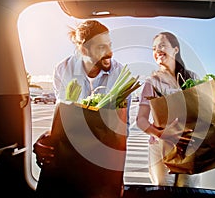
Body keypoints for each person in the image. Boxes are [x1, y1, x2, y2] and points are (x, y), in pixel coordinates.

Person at [33, 20, 130, 197]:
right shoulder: (63, 69)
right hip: (70, 155)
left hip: (102, 155)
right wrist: (48, 138)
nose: (110, 52)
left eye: (109, 45)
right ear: (84, 50)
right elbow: (63, 117)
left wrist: (117, 174)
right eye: (101, 47)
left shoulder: (120, 75)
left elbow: (123, 129)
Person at [136, 31, 202, 187]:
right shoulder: (151, 82)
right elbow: (141, 119)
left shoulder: (192, 78)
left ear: (176, 49)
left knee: (187, 188)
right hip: (160, 146)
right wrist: (160, 134)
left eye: (162, 45)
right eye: (154, 48)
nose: (157, 50)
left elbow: (205, 112)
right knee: (163, 189)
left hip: (189, 144)